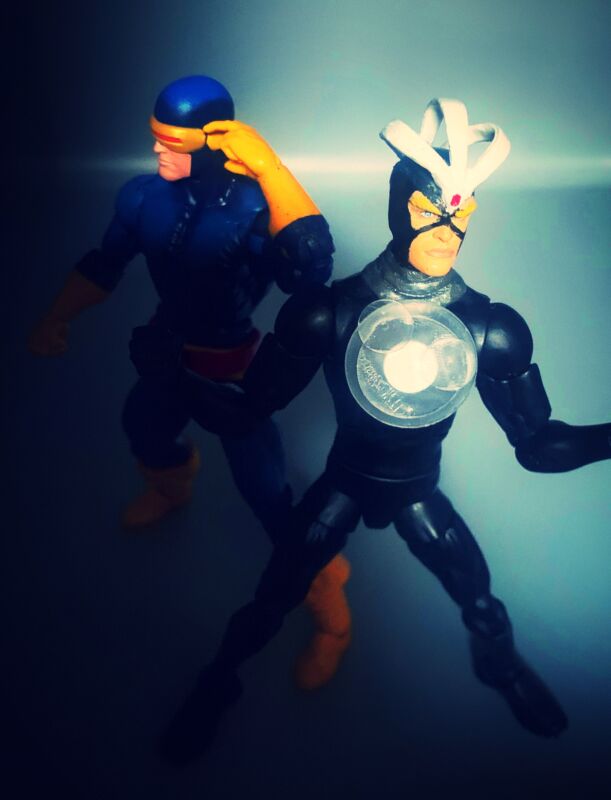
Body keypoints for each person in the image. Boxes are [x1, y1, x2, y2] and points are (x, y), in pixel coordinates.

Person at [160, 98, 611, 762]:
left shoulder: (487, 329)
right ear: (401, 207)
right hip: (344, 481)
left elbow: (537, 444)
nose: (447, 232)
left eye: (461, 215)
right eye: (431, 212)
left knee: (479, 600)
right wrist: (177, 378)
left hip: (415, 486)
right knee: (270, 600)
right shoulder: (329, 312)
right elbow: (248, 410)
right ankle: (216, 684)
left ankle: (502, 668)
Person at [28, 75, 352, 690]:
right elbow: (104, 265)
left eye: (173, 142)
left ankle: (329, 602)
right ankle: (174, 489)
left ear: (212, 143)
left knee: (267, 496)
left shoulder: (256, 209)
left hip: (234, 372)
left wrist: (271, 169)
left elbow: (312, 271)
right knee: (143, 429)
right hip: (168, 355)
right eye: (155, 137)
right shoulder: (142, 197)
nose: (157, 150)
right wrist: (56, 316)